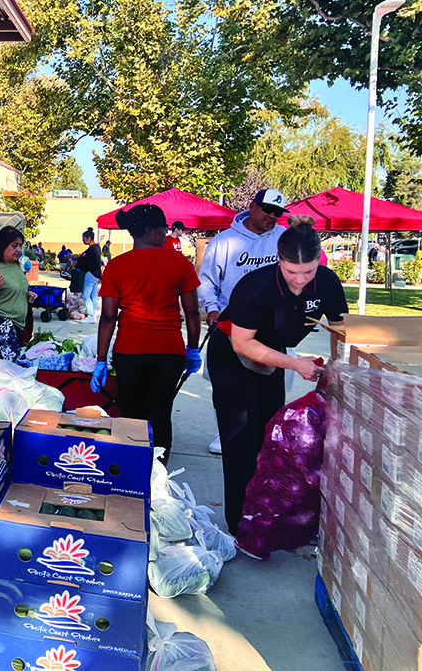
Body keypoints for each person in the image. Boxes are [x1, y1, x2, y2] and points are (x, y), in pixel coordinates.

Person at [208, 216, 348, 538]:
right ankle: (240, 524)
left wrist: (338, 366)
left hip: (272, 354)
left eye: (308, 272)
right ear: (279, 261)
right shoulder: (255, 287)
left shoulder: (327, 283)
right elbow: (243, 343)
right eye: (291, 272)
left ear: (318, 263)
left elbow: (342, 329)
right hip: (232, 354)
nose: (299, 281)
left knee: (271, 436)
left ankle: (265, 510)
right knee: (241, 439)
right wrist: (295, 364)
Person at [91, 205, 202, 462]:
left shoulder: (117, 266)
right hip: (169, 352)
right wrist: (193, 349)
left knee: (130, 412)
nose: (166, 232)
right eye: (163, 227)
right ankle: (159, 473)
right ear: (150, 230)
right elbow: (192, 312)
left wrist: (100, 359)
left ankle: (130, 469)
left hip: (129, 352)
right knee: (161, 412)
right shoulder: (179, 263)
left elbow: (108, 316)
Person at [198, 188, 288, 456]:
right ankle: (224, 432)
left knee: (270, 393)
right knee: (228, 390)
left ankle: (266, 439)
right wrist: (212, 309)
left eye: (277, 212)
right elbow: (206, 282)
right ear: (252, 206)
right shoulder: (224, 241)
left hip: (273, 329)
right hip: (231, 327)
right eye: (267, 209)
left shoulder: (285, 240)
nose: (271, 216)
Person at [73, 228, 103, 322]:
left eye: (84, 238)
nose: (83, 240)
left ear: (89, 238)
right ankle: (94, 314)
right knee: (93, 295)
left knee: (86, 295)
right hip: (96, 274)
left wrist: (79, 258)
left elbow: (86, 260)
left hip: (91, 274)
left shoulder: (92, 249)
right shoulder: (96, 248)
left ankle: (90, 316)